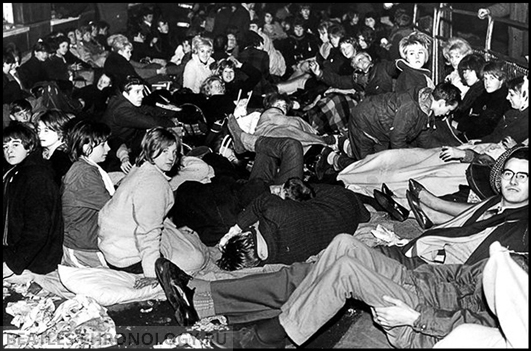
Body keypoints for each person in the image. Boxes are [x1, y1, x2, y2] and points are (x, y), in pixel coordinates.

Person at [98, 127, 209, 285]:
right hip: (128, 256)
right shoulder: (155, 183)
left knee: (183, 240)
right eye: (164, 151)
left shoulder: (139, 168)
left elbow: (149, 216)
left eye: (174, 152)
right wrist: (152, 274)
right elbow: (148, 232)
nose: (171, 157)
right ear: (151, 149)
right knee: (197, 259)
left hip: (112, 245)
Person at [217, 177, 371, 269]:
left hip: (349, 220)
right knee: (296, 188)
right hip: (341, 199)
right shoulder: (277, 214)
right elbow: (262, 201)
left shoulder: (281, 261)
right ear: (247, 234)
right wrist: (235, 229)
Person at [318, 81, 461, 175]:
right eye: (448, 110)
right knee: (366, 167)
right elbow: (398, 138)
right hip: (365, 122)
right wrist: (404, 164)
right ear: (441, 103)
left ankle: (343, 143)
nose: (446, 115)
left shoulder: (427, 106)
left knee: (380, 160)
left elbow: (424, 136)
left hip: (382, 127)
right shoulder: (411, 108)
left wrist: (432, 154)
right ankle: (333, 159)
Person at [433, 241, 528, 349]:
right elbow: (458, 272)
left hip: (432, 321)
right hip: (428, 293)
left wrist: (416, 318)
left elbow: (470, 326)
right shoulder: (513, 265)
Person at [3, 122, 63, 281]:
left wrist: (12, 264)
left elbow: (37, 231)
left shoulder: (36, 177)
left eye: (16, 144)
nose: (9, 150)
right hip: (16, 251)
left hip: (35, 262)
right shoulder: (16, 172)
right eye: (5, 146)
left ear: (29, 147)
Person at [101, 75, 180, 173]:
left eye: (142, 91)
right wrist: (173, 122)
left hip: (126, 140)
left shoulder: (123, 100)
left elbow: (146, 109)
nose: (142, 95)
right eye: (137, 92)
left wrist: (170, 113)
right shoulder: (121, 111)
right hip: (115, 149)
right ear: (125, 94)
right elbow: (151, 122)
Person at [61, 120, 113, 268]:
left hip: (85, 244)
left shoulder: (84, 167)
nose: (108, 148)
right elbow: (113, 208)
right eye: (103, 144)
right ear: (85, 146)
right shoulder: (84, 174)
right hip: (84, 250)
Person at [454, 60, 511, 141]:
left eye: (492, 78)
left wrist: (460, 126)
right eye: (485, 78)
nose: (487, 82)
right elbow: (470, 112)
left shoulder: (502, 101)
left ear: (501, 80)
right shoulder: (485, 93)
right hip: (467, 133)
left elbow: (485, 128)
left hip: (479, 140)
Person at [35, 109, 72, 186]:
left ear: (60, 131)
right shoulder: (39, 153)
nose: (40, 135)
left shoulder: (65, 160)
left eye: (46, 131)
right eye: (38, 130)